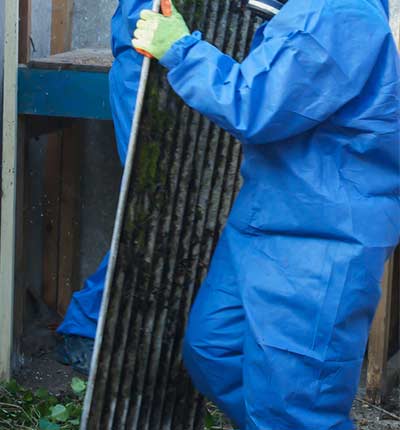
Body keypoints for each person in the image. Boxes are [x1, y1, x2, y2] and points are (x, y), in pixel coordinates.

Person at [132, 0, 400, 429]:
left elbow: (253, 103)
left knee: (297, 407)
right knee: (215, 351)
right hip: (270, 215)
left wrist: (180, 48)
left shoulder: (337, 12)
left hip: (323, 240)